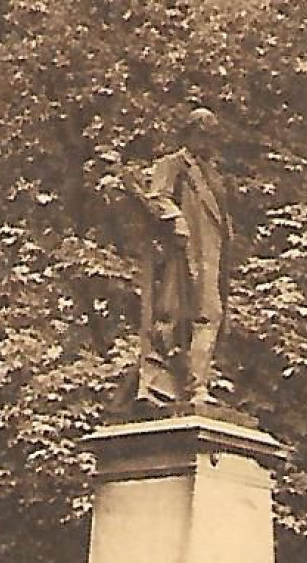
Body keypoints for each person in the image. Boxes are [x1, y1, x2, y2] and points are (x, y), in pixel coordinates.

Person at [133, 107, 234, 407]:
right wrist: (175, 218)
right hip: (186, 256)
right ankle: (178, 385)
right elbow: (157, 197)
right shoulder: (175, 164)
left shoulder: (212, 174)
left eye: (211, 135)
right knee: (184, 319)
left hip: (211, 257)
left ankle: (195, 385)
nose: (207, 141)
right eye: (203, 133)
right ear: (189, 133)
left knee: (209, 318)